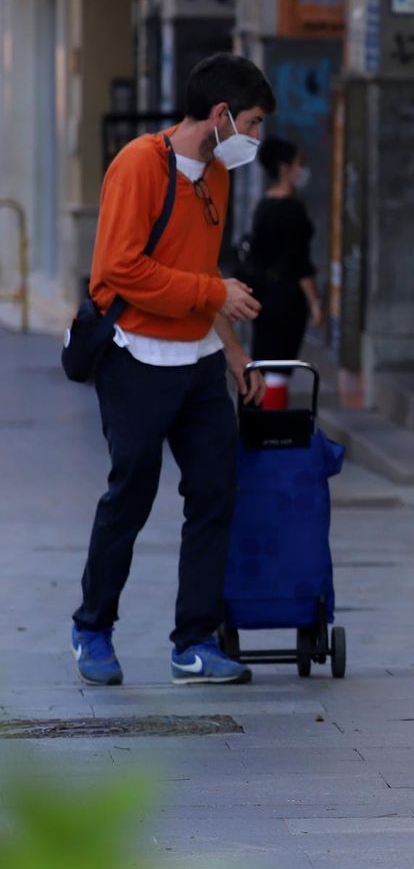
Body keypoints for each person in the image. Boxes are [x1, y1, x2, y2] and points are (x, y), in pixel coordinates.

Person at [71, 53, 274, 688]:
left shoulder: (218, 175)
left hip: (199, 363)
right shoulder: (138, 163)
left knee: (215, 494)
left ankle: (193, 642)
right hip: (136, 358)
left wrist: (236, 352)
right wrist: (213, 295)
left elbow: (203, 275)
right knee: (129, 496)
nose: (256, 138)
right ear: (220, 116)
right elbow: (121, 270)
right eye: (253, 122)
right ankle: (93, 628)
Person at [244, 136, 322, 408]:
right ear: (284, 167)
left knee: (266, 362)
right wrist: (315, 303)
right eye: (300, 164)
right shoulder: (293, 209)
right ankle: (273, 425)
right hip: (287, 299)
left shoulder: (263, 207)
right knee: (280, 366)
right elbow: (300, 263)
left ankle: (262, 426)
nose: (303, 170)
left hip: (264, 297)